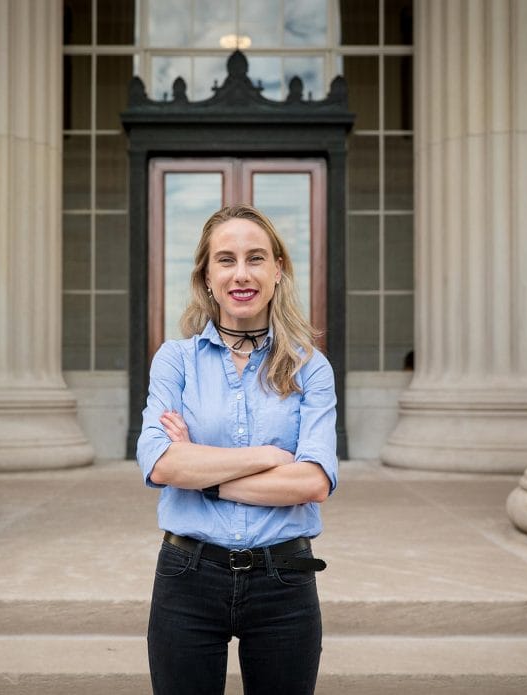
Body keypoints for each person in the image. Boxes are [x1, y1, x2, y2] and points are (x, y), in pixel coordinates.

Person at [136, 204, 339, 695]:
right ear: (207, 276)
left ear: (278, 271)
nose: (241, 273)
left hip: (284, 578)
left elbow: (312, 482)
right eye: (226, 260)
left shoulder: (310, 367)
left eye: (256, 258)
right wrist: (270, 457)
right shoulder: (176, 360)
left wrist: (205, 476)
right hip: (188, 575)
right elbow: (161, 462)